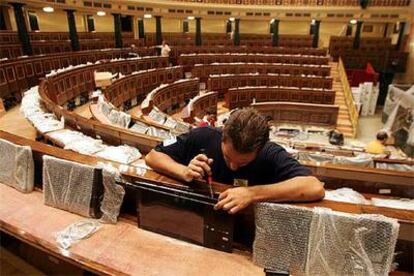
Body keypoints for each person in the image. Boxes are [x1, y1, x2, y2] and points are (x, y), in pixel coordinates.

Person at [145, 108, 325, 214]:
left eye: (243, 163)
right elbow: (153, 156)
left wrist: (252, 193)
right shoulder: (203, 136)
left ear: (260, 148)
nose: (233, 166)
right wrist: (183, 171)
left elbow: (314, 187)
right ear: (222, 135)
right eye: (227, 157)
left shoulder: (270, 152)